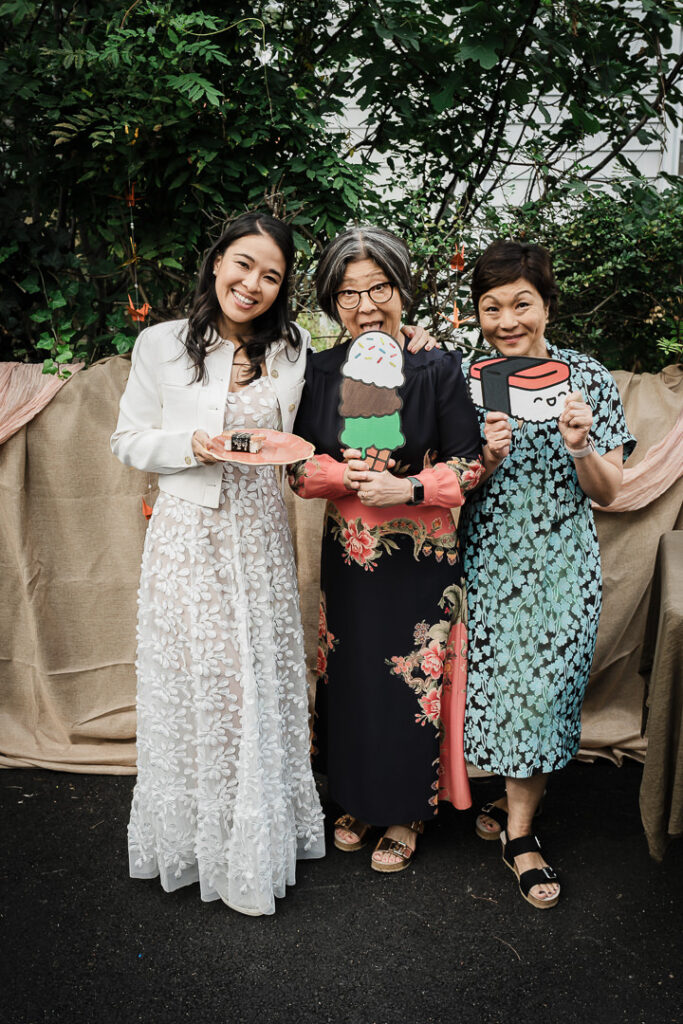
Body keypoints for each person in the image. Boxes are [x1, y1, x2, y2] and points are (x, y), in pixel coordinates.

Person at [110, 212, 326, 916]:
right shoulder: (161, 343)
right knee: (200, 686)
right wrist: (192, 445)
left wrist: (406, 342)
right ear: (216, 264)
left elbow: (308, 429)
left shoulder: (292, 349)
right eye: (242, 265)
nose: (252, 283)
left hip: (262, 534)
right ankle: (198, 843)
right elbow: (129, 440)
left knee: (254, 683)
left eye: (271, 275)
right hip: (189, 534)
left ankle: (258, 840)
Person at [289, 226, 483, 872]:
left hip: (419, 562)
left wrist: (407, 485)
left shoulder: (436, 367)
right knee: (348, 677)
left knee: (409, 682)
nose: (366, 306)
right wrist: (337, 476)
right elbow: (295, 465)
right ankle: (355, 796)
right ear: (330, 302)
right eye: (348, 294)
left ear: (401, 288)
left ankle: (405, 810)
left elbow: (470, 467)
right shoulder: (320, 371)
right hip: (347, 558)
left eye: (379, 288)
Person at [460, 240, 635, 909]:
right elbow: (450, 486)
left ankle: (519, 836)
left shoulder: (586, 377)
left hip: (560, 562)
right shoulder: (465, 377)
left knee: (541, 690)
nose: (506, 319)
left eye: (520, 304)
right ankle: (505, 801)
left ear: (546, 305)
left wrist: (580, 445)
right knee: (492, 688)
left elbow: (609, 492)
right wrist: (485, 459)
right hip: (481, 557)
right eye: (491, 306)